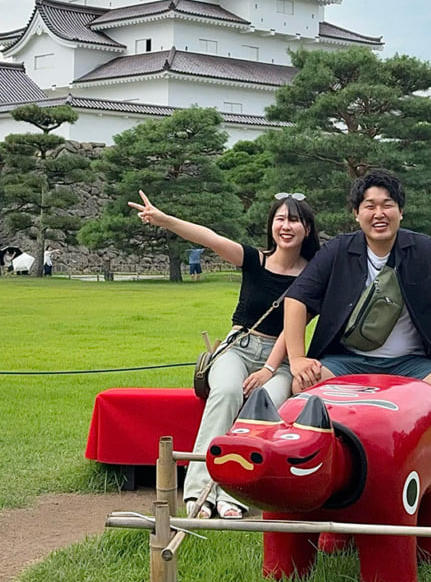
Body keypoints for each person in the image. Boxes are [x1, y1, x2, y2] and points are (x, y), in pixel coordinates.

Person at [128, 189, 320, 520]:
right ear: (271, 226)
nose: (286, 226)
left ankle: (236, 490)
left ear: (307, 228)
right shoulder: (254, 259)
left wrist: (270, 370)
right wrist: (163, 219)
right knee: (229, 391)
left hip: (284, 358)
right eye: (280, 219)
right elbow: (211, 238)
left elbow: (293, 328)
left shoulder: (314, 274)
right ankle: (199, 490)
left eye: (294, 220)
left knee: (263, 405)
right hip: (239, 348)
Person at [284, 168, 431, 429]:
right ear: (356, 213)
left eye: (388, 205)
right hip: (347, 360)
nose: (379, 214)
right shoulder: (338, 250)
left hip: (414, 362)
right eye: (370, 206)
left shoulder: (424, 250)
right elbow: (296, 299)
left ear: (401, 211)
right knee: (304, 383)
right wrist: (297, 359)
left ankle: (424, 462)